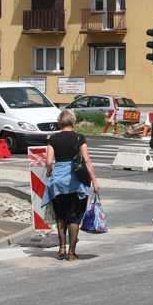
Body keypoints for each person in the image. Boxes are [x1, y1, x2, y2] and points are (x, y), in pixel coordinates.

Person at [45, 109, 100, 261]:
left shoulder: (53, 139)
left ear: (59, 124)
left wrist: (49, 172)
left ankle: (62, 246)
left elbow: (49, 162)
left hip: (58, 182)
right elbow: (86, 160)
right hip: (76, 181)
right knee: (74, 217)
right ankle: (72, 252)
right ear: (73, 123)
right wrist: (94, 181)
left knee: (61, 215)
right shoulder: (79, 138)